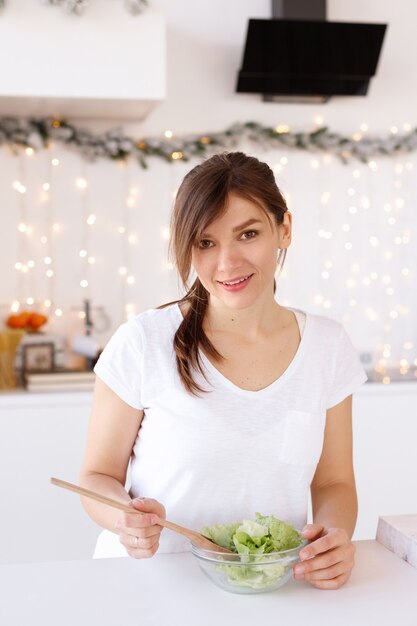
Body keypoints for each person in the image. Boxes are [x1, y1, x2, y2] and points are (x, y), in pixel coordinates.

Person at [80, 151, 367, 590]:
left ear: (284, 229)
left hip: (266, 589)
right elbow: (96, 476)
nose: (227, 263)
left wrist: (332, 537)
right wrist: (123, 516)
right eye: (205, 243)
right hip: (145, 587)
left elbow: (333, 481)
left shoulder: (327, 347)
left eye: (248, 234)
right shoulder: (143, 342)